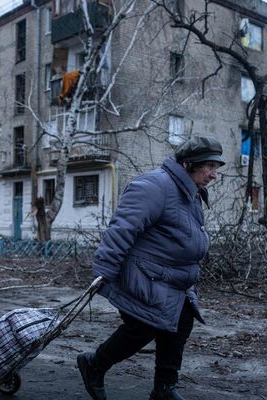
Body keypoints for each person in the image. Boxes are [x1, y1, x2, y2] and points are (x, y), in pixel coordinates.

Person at [77, 136, 225, 400]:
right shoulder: (155, 185)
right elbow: (122, 229)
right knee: (144, 327)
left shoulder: (188, 190)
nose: (214, 175)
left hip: (170, 278)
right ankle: (94, 364)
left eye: (216, 168)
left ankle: (165, 389)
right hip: (144, 275)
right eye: (209, 167)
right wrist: (104, 271)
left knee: (180, 322)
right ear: (189, 164)